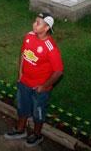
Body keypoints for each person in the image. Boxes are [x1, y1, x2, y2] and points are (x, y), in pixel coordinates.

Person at [4, 13, 63, 147]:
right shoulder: (29, 36)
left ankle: (37, 135)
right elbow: (23, 53)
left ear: (47, 28)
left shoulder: (50, 48)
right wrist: (20, 72)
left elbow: (58, 71)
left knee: (38, 111)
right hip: (25, 82)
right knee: (22, 107)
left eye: (38, 23)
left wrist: (44, 85)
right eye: (35, 21)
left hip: (39, 88)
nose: (34, 24)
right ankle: (20, 130)